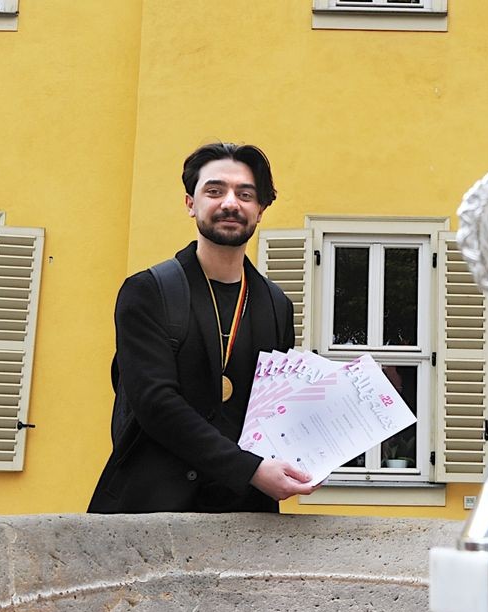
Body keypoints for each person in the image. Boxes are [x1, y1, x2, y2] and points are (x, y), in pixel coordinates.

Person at [89, 142, 318, 513]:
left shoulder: (277, 305)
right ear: (190, 203)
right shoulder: (147, 291)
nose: (231, 203)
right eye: (215, 191)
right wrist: (250, 469)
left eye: (246, 194)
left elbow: (275, 410)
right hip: (152, 513)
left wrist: (310, 458)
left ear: (260, 210)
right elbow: (155, 404)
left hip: (246, 516)